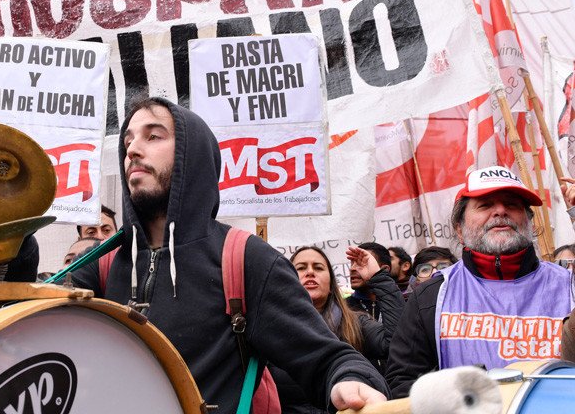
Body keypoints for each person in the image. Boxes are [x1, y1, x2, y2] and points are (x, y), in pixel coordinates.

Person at [72, 97, 388, 413]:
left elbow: (326, 357)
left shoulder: (244, 258)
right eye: (128, 140)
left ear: (190, 155)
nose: (132, 150)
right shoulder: (102, 266)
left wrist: (349, 379)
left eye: (153, 136)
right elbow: (29, 317)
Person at [386, 166, 575, 398]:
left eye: (512, 204)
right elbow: (403, 383)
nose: (500, 212)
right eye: (485, 205)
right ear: (459, 229)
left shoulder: (569, 286)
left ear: (530, 222)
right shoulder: (432, 296)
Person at [272, 246, 404, 412]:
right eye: (301, 268)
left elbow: (397, 344)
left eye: (318, 268)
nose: (310, 272)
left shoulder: (354, 322)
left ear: (331, 284)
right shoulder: (270, 327)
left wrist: (379, 279)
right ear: (288, 280)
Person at [346, 242, 392, 321]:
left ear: (384, 269)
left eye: (362, 263)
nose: (352, 269)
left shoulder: (399, 304)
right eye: (352, 263)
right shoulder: (342, 308)